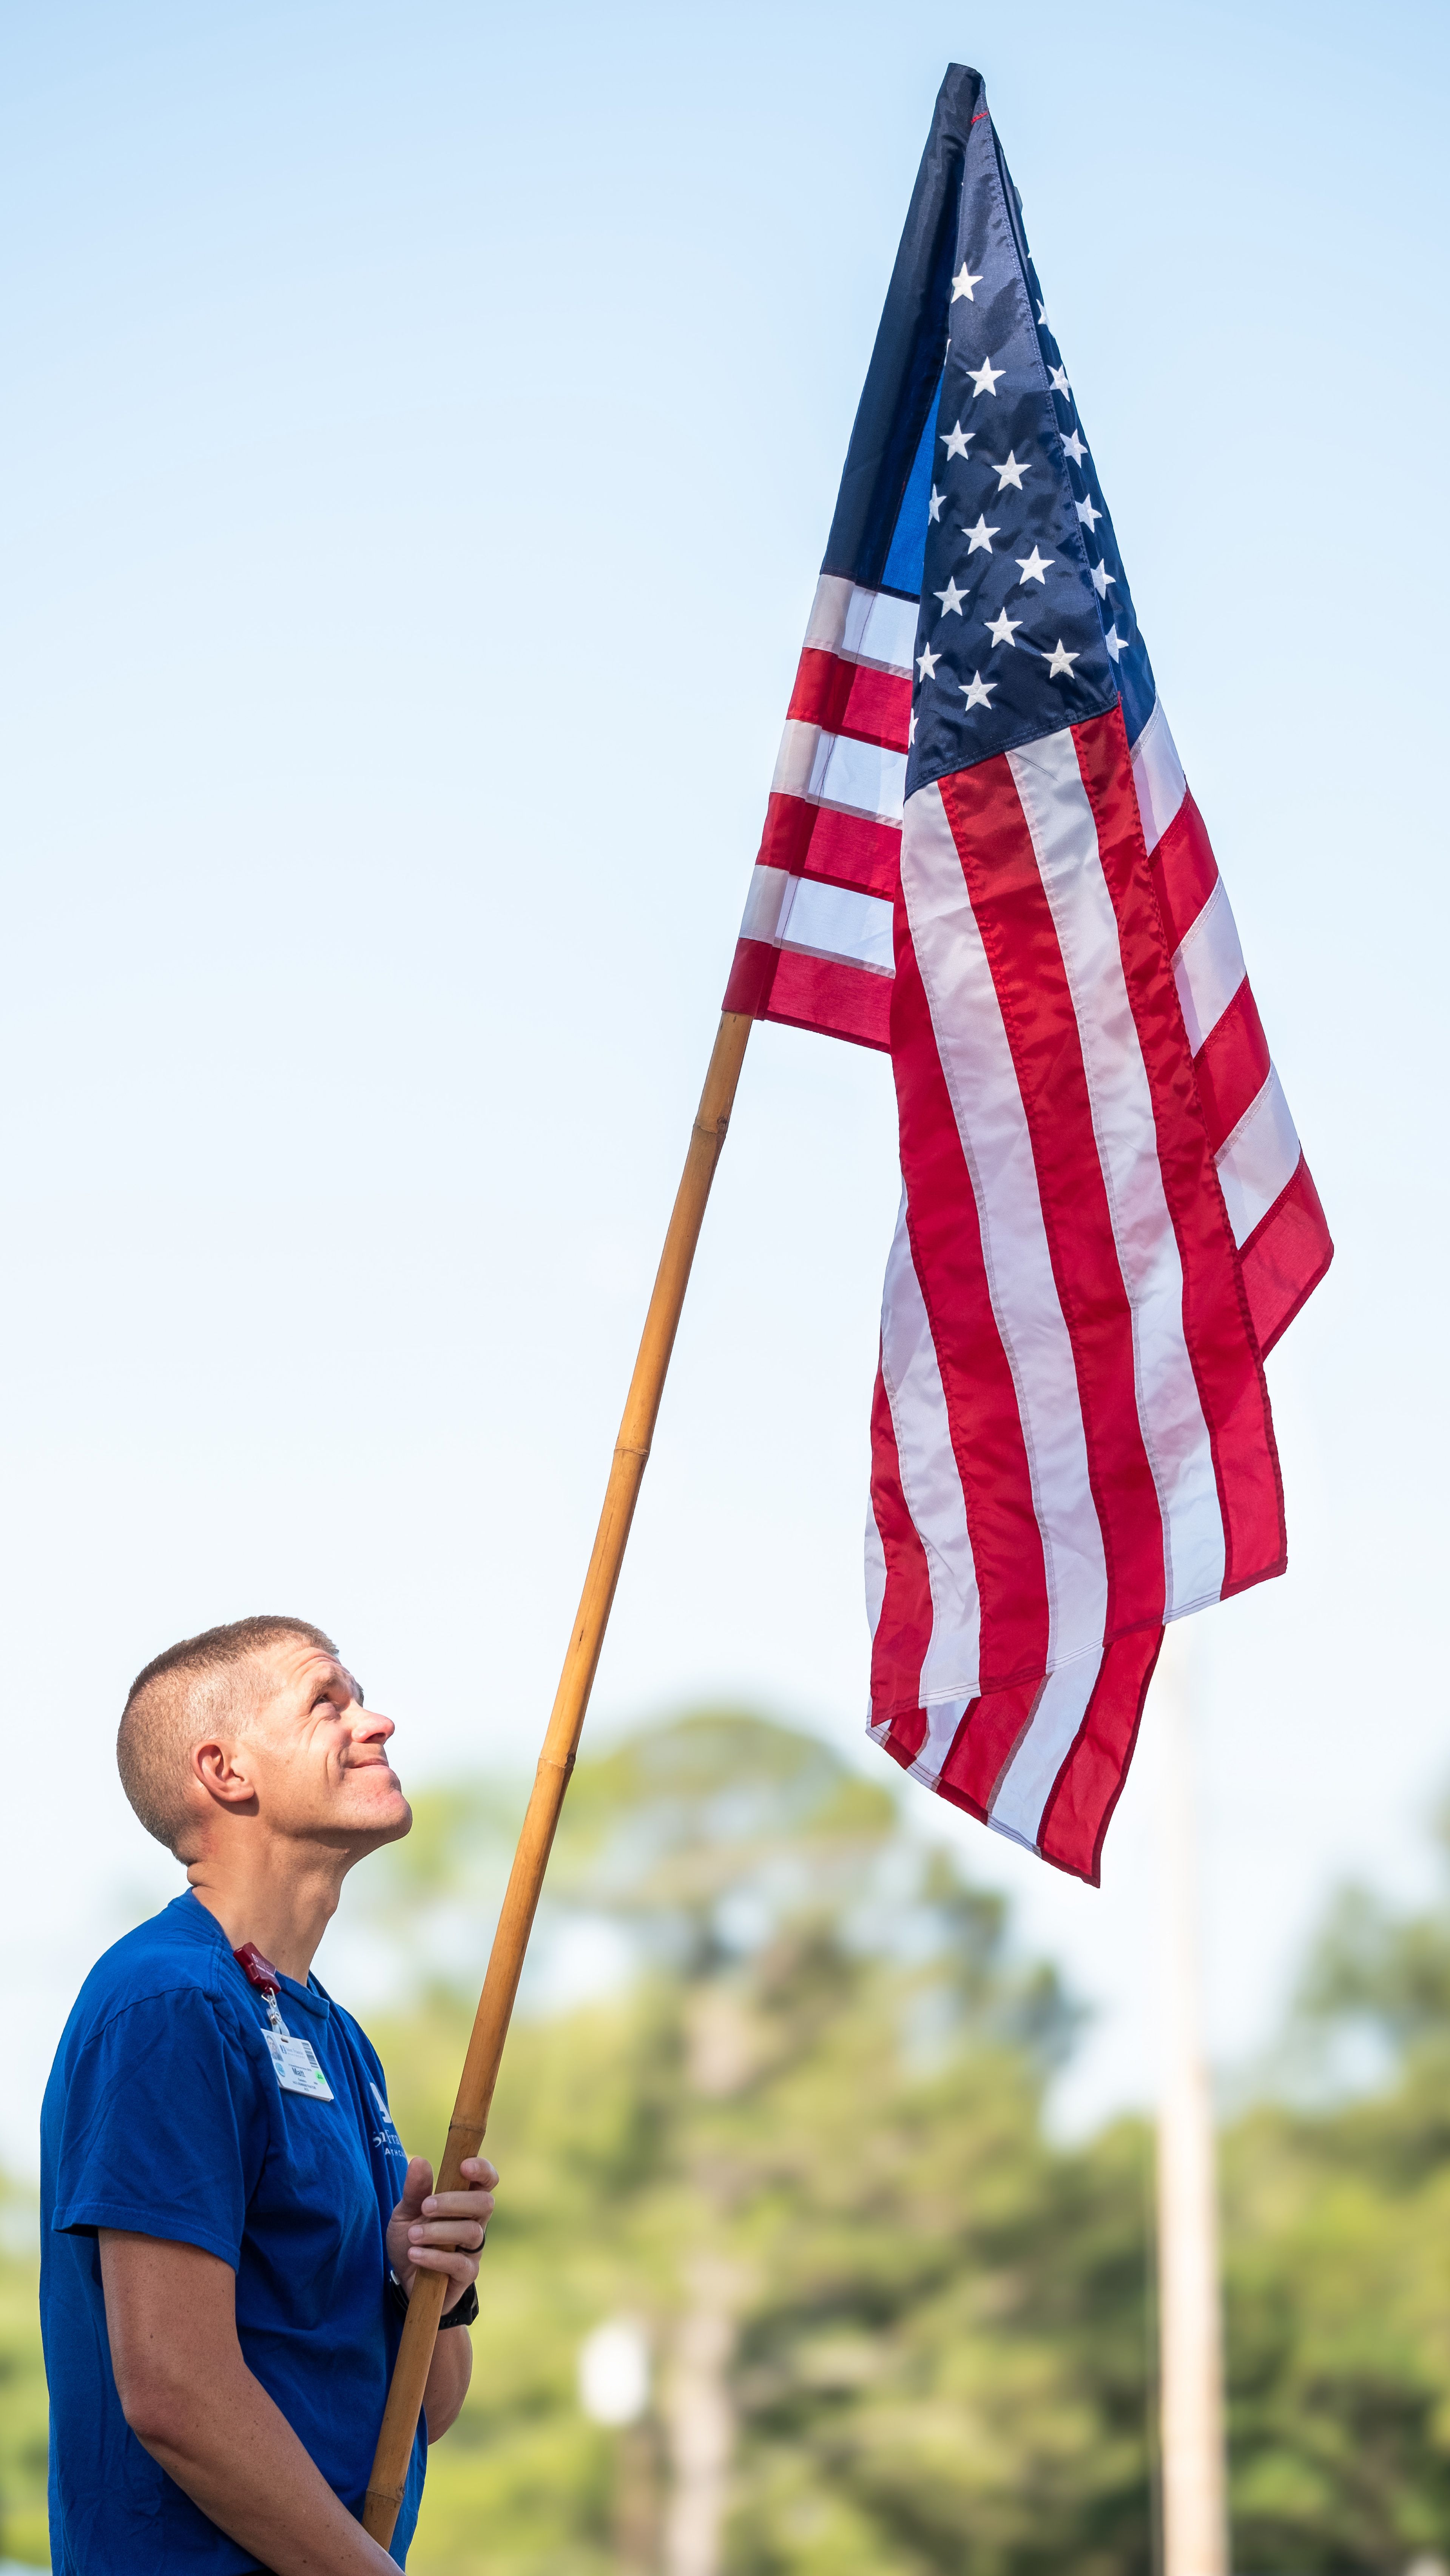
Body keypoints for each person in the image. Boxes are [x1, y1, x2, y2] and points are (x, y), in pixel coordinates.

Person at [39, 1614, 497, 2575]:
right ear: (225, 1770)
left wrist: (434, 2294)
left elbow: (427, 2411)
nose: (378, 1724)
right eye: (328, 1700)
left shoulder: (336, 2034)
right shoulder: (168, 2003)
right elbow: (173, 2387)